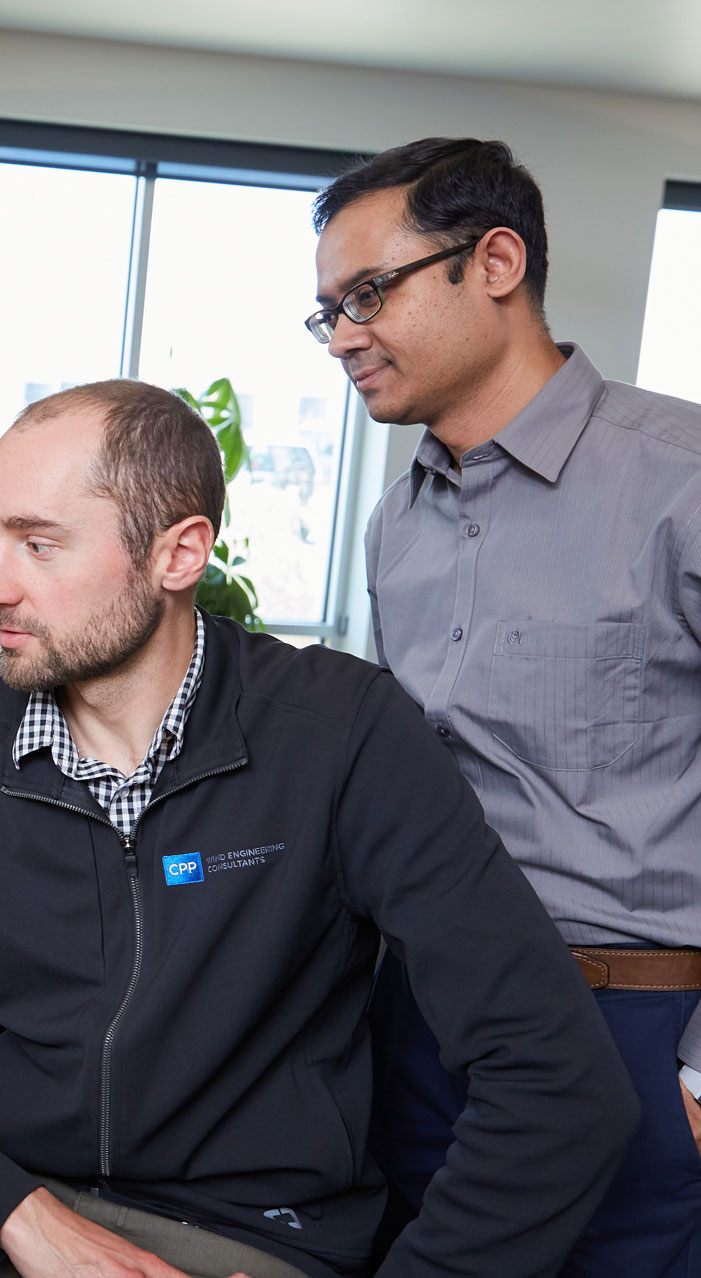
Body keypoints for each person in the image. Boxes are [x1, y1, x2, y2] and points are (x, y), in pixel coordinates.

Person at [0, 380, 634, 1278]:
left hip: (246, 1235)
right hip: (4, 1204)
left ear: (178, 554)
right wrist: (10, 1211)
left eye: (38, 544)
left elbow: (559, 1084)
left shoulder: (342, 734)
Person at [309, 136, 701, 1276]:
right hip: (425, 1021)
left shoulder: (680, 480)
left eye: (368, 294)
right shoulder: (399, 526)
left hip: (629, 1026)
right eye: (326, 310)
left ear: (494, 262)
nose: (343, 336)